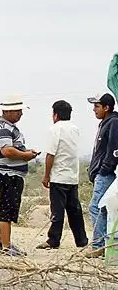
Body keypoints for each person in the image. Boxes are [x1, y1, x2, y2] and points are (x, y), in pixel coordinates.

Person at [0, 95, 38, 256]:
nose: (20, 114)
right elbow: (7, 150)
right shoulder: (4, 128)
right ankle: (6, 245)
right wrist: (26, 155)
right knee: (6, 208)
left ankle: (1, 240)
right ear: (8, 111)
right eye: (18, 111)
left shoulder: (8, 127)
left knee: (9, 207)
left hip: (10, 174)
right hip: (7, 174)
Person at [38, 101, 87, 250]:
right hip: (72, 175)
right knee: (75, 211)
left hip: (59, 175)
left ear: (55, 114)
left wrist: (46, 176)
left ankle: (53, 240)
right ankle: (81, 240)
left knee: (57, 210)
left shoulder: (55, 129)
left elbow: (50, 154)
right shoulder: (75, 129)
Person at [87, 93, 118, 256]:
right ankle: (105, 246)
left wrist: (104, 169)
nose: (94, 109)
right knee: (103, 209)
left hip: (106, 174)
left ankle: (99, 246)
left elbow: (114, 150)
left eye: (97, 106)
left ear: (106, 108)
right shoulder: (106, 123)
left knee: (96, 207)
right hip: (101, 173)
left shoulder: (113, 122)